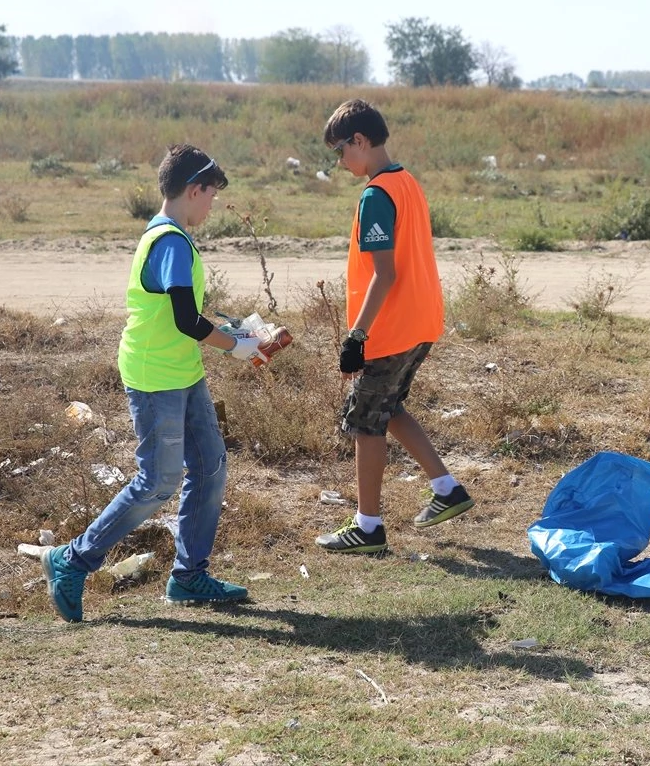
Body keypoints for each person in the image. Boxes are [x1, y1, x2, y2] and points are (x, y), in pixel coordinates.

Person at [41, 144, 269, 621]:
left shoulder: (170, 235)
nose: (213, 206)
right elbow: (187, 319)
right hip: (154, 377)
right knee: (158, 482)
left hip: (182, 372)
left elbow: (181, 315)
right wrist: (238, 348)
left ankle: (189, 577)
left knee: (209, 467)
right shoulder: (169, 241)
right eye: (212, 196)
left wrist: (231, 333)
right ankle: (72, 559)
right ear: (194, 189)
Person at [314, 99, 474, 554]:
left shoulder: (375, 196)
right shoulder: (407, 182)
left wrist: (356, 337)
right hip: (421, 321)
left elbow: (385, 275)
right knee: (389, 407)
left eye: (341, 150)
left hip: (391, 327)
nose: (340, 161)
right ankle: (447, 489)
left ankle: (368, 527)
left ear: (360, 142)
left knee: (365, 421)